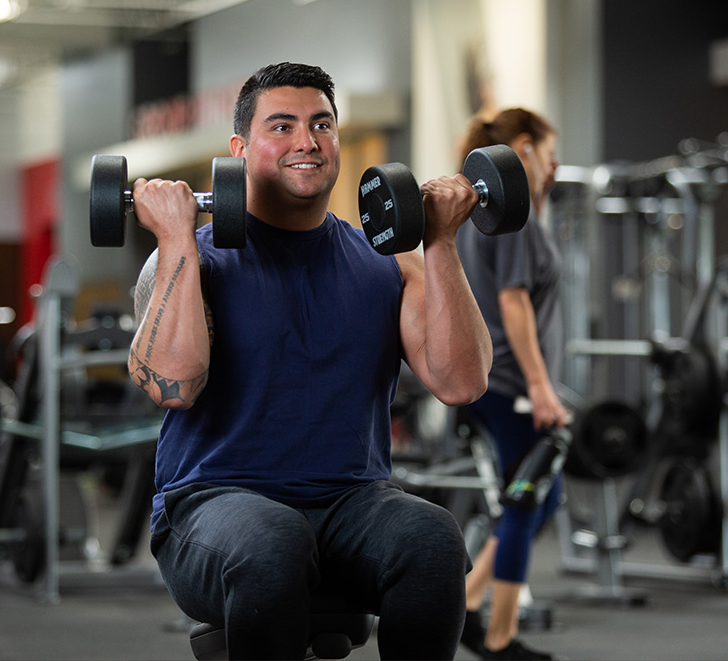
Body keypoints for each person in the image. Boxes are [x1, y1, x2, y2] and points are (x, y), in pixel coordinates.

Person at [127, 62, 493, 660]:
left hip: (351, 503)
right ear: (239, 150)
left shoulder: (386, 262)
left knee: (432, 538)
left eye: (322, 124)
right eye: (282, 126)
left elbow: (462, 383)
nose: (307, 141)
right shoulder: (196, 260)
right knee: (273, 540)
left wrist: (442, 242)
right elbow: (175, 385)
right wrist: (173, 239)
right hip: (211, 506)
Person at [455, 108, 566, 661]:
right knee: (527, 501)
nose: (555, 165)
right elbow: (513, 300)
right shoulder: (513, 217)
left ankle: (466, 603)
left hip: (494, 379)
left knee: (544, 497)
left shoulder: (491, 211)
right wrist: (541, 387)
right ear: (524, 147)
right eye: (549, 153)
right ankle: (499, 637)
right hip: (510, 382)